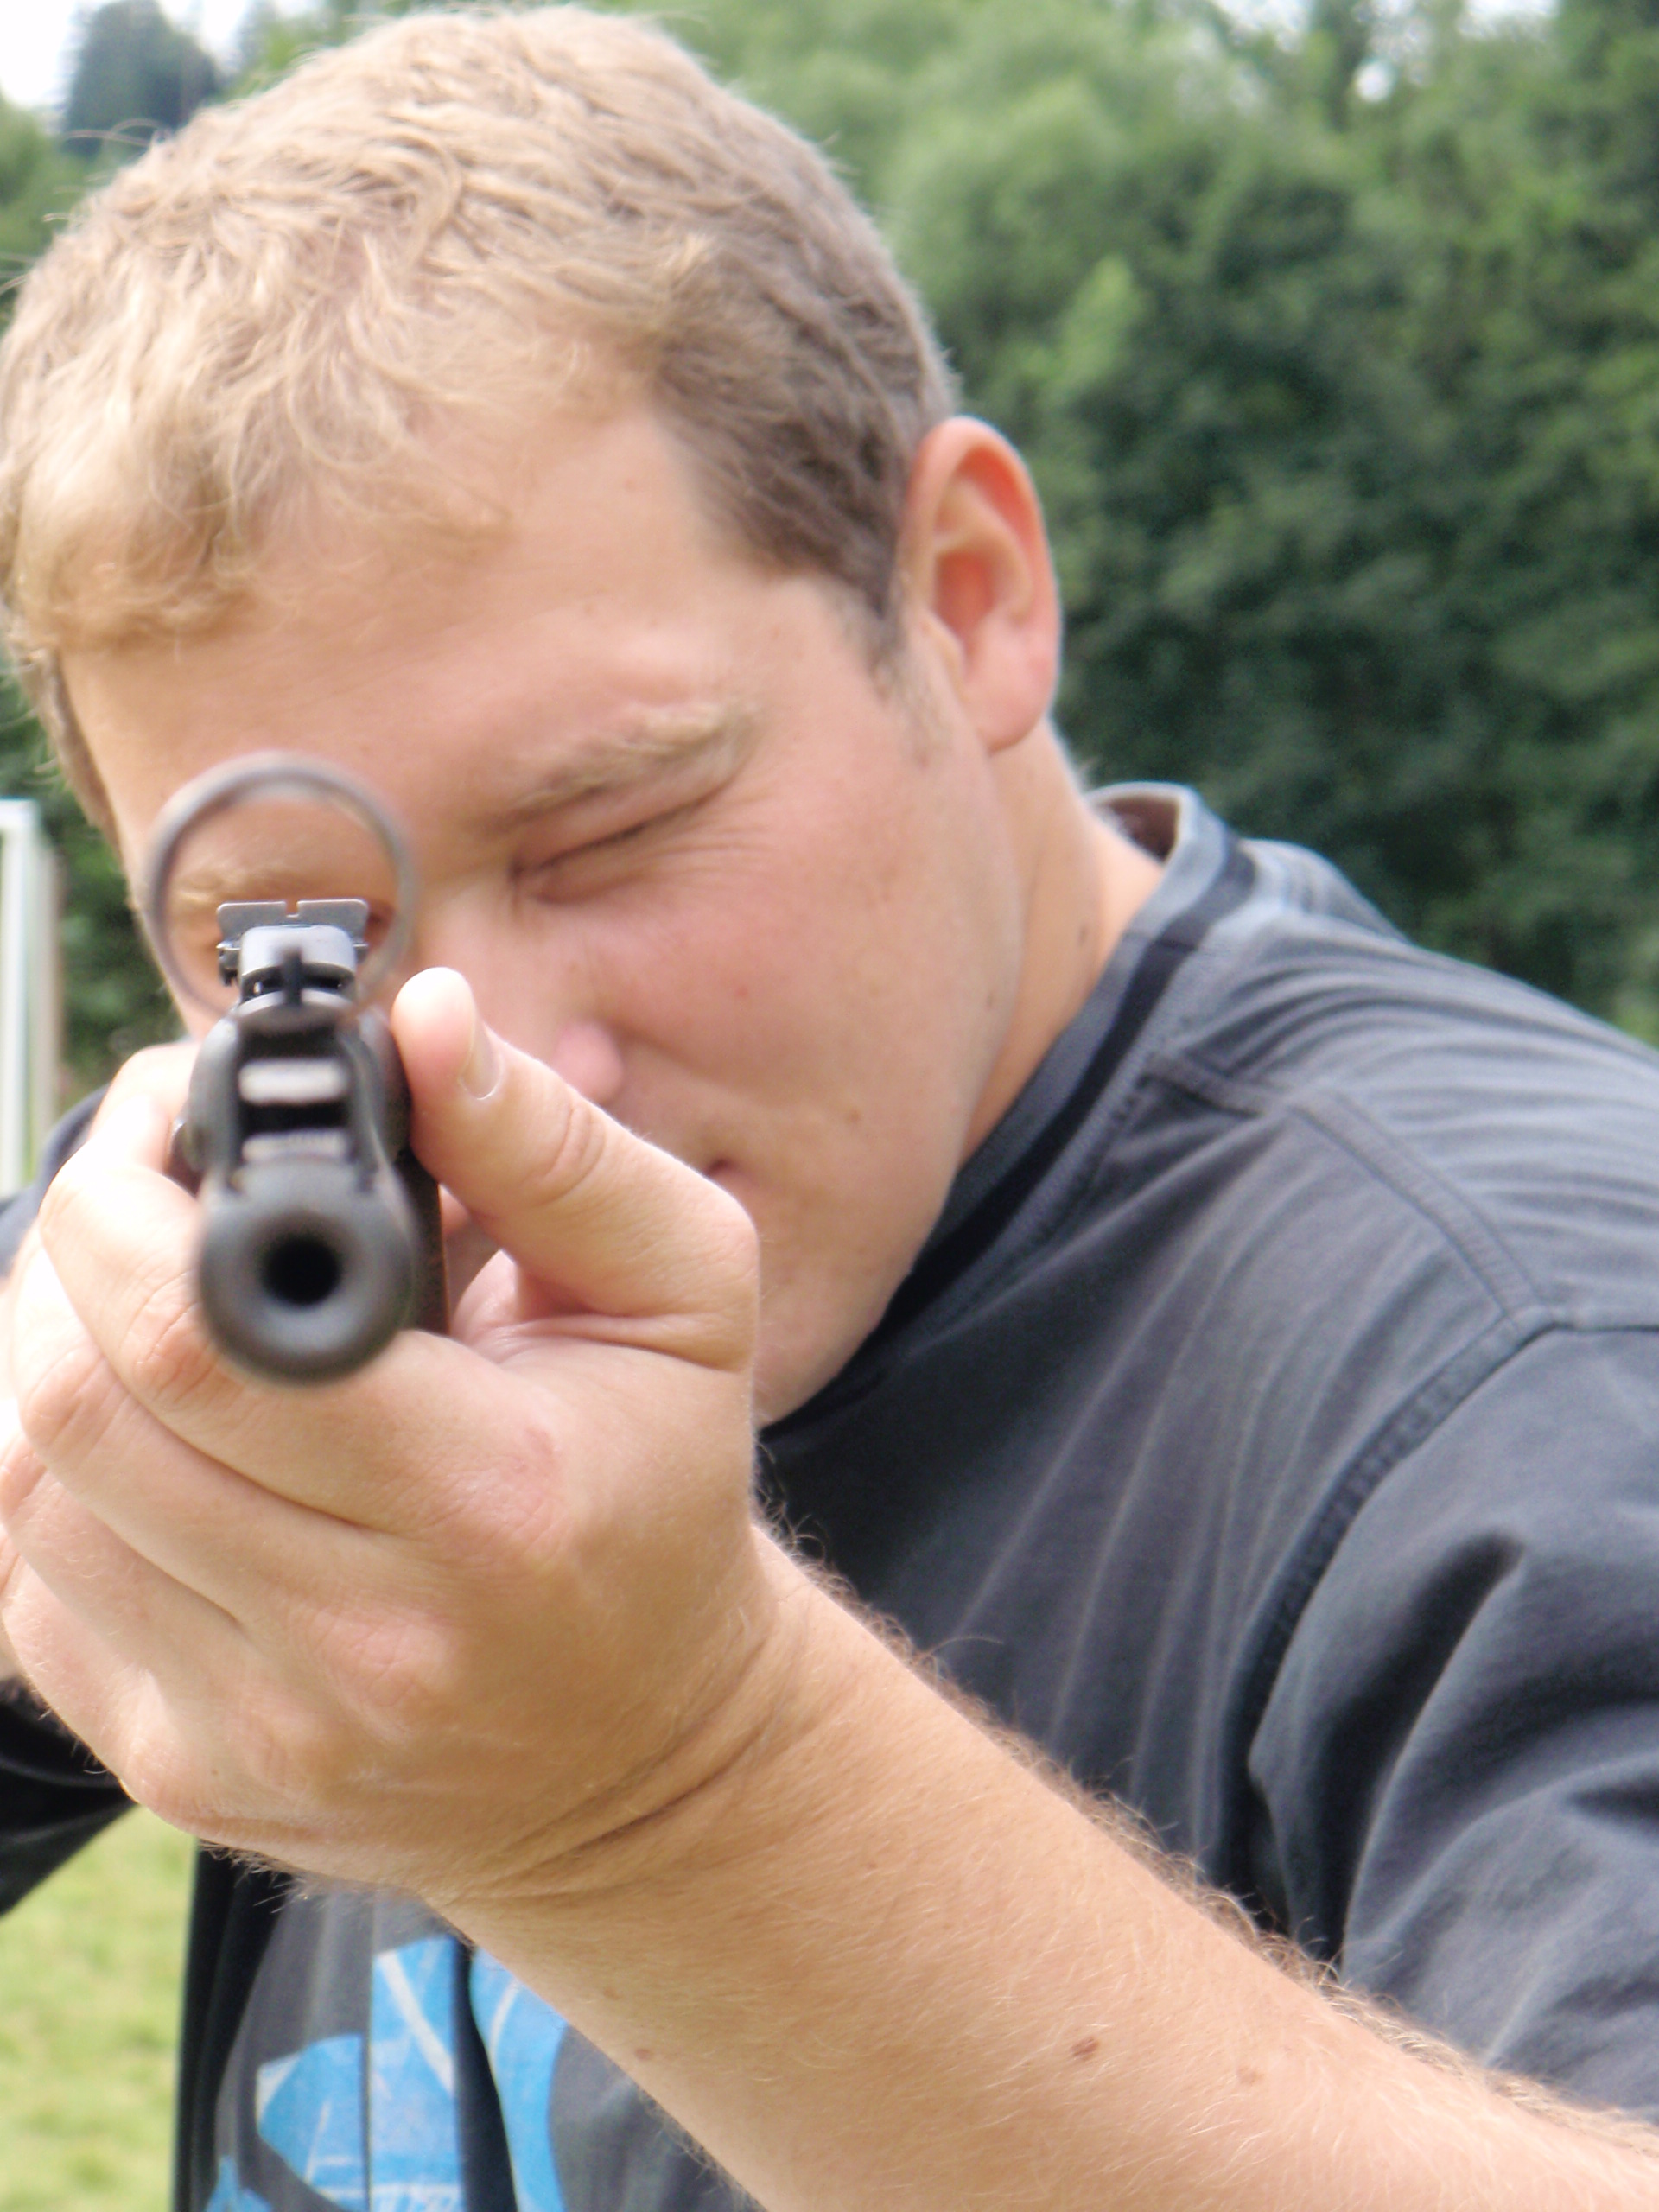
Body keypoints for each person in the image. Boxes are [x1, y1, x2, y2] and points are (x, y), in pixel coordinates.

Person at [2, 9, 1659, 2208]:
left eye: (609, 833)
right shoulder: (255, 1206)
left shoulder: (1542, 1355)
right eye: (291, 941)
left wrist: (675, 1787)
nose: (488, 1064)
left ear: (967, 595)